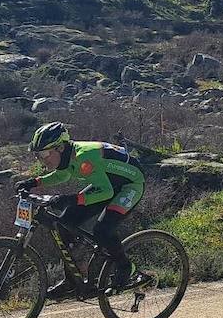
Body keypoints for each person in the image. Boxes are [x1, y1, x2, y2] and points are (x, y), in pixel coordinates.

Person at [16, 122, 146, 297]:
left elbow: (105, 192)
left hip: (130, 185)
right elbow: (63, 174)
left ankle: (126, 268)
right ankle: (72, 280)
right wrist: (34, 182)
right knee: (64, 222)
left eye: (45, 153)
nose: (42, 159)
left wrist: (70, 199)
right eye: (39, 155)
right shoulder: (68, 155)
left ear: (60, 148)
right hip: (106, 183)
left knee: (103, 229)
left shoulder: (84, 156)